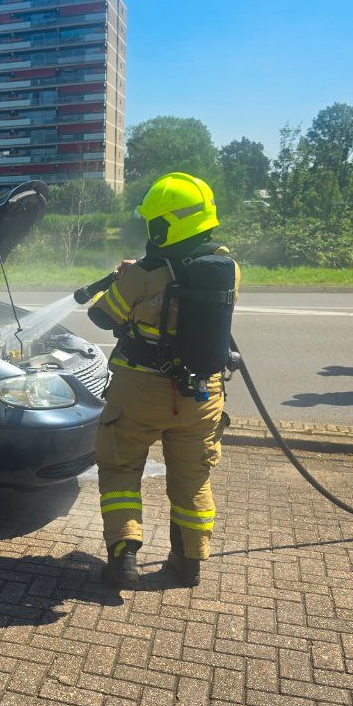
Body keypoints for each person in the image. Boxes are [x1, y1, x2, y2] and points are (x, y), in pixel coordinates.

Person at [86, 173, 239, 589]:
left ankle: (123, 562)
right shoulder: (228, 270)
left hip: (139, 393)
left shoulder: (144, 274)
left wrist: (125, 279)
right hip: (201, 395)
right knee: (192, 482)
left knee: (120, 471)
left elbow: (102, 316)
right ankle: (188, 565)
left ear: (166, 225)